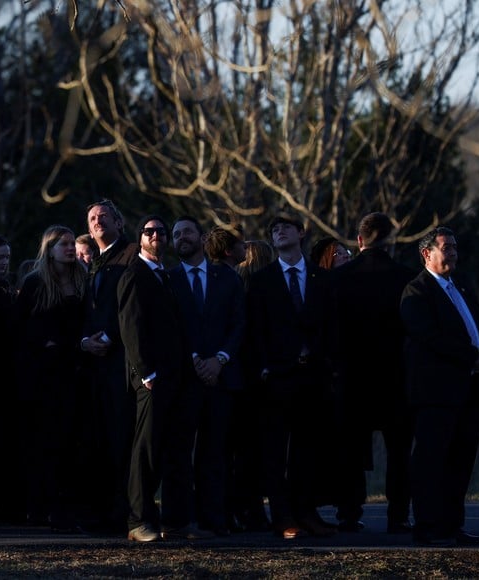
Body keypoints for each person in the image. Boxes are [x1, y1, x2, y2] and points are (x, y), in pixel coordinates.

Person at [400, 226, 479, 546]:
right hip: (436, 393)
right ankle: (428, 527)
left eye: (455, 246)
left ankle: (452, 525)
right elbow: (429, 337)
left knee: (460, 462)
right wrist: (473, 356)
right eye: (446, 247)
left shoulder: (462, 286)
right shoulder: (417, 291)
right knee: (431, 462)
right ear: (427, 253)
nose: (453, 251)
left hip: (469, 392)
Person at [244, 213, 338, 539]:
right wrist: (265, 368)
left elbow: (332, 327)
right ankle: (282, 517)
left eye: (285, 227)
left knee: (308, 450)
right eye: (273, 230)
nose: (278, 232)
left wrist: (325, 362)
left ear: (300, 232)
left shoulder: (322, 278)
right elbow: (255, 331)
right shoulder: (261, 281)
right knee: (274, 452)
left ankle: (306, 512)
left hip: (313, 378)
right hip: (276, 380)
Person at [330, 213, 416, 533]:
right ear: (390, 241)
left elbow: (330, 331)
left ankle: (349, 512)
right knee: (399, 452)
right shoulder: (407, 278)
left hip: (351, 378)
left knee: (350, 451)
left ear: (360, 240)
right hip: (395, 378)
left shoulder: (339, 279)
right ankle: (398, 514)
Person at [118, 215, 197, 543]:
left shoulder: (165, 275)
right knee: (146, 450)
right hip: (152, 379)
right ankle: (139, 520)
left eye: (161, 232)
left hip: (175, 377)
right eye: (149, 231)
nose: (156, 236)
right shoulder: (134, 274)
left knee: (176, 449)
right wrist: (144, 372)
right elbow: (130, 325)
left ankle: (175, 521)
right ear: (140, 239)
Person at [169, 216, 246, 536]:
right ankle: (178, 519)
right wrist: (196, 361)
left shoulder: (227, 278)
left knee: (215, 452)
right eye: (175, 234)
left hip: (221, 378)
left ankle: (213, 519)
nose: (180, 237)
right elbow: (169, 328)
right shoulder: (167, 279)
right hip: (184, 380)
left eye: (186, 231)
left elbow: (239, 323)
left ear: (202, 238)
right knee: (179, 452)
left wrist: (220, 360)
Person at [14, 225, 89, 531]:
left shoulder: (84, 280)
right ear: (50, 248)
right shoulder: (35, 283)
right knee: (45, 440)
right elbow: (18, 327)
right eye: (64, 244)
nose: (71, 248)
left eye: (73, 243)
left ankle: (68, 505)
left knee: (73, 440)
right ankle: (40, 505)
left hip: (77, 368)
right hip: (43, 374)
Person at [79, 199, 138, 534]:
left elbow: (132, 308)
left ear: (119, 221)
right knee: (99, 440)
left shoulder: (130, 256)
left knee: (121, 440)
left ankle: (121, 512)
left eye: (103, 216)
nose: (98, 221)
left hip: (121, 364)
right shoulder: (92, 263)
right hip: (94, 365)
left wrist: (110, 337)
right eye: (92, 218)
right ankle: (101, 511)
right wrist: (84, 341)